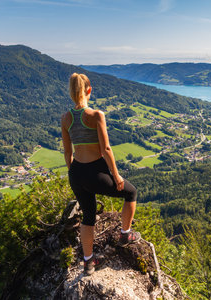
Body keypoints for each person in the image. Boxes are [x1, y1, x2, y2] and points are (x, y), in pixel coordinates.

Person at [61, 73, 141, 275]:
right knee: (130, 193)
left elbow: (67, 152)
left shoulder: (65, 118)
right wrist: (116, 175)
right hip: (95, 171)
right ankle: (125, 235)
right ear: (89, 90)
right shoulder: (96, 115)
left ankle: (88, 262)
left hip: (76, 172)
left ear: (71, 93)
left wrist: (74, 174)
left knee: (88, 214)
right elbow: (105, 149)